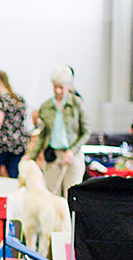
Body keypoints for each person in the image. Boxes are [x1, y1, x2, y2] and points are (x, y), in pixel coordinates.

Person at [26, 66, 90, 197]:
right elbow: (42, 135)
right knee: (51, 198)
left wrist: (72, 151)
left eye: (61, 87)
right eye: (55, 87)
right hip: (52, 158)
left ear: (69, 86)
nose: (58, 90)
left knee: (71, 197)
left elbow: (86, 131)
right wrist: (31, 156)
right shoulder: (46, 106)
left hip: (72, 158)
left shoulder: (77, 104)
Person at [0, 70, 28, 178]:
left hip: (2, 145)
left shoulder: (2, 101)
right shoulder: (19, 99)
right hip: (18, 145)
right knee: (14, 176)